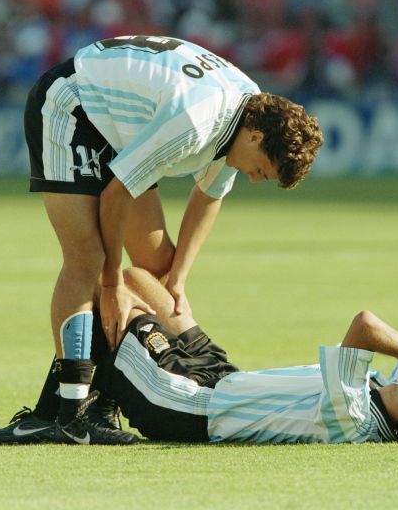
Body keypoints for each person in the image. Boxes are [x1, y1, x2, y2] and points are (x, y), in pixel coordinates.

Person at [18, 34, 324, 444]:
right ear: (255, 138)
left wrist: (178, 277)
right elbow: (117, 195)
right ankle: (71, 413)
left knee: (158, 267)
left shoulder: (248, 113)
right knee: (87, 260)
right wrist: (110, 284)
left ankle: (103, 395)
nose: (253, 179)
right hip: (70, 106)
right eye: (262, 171)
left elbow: (208, 196)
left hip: (120, 126)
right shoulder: (199, 120)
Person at [0, 268, 398, 445]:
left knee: (107, 291)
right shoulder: (391, 390)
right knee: (138, 282)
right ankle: (98, 392)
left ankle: (57, 415)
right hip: (221, 377)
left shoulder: (356, 417)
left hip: (186, 404)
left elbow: (365, 324)